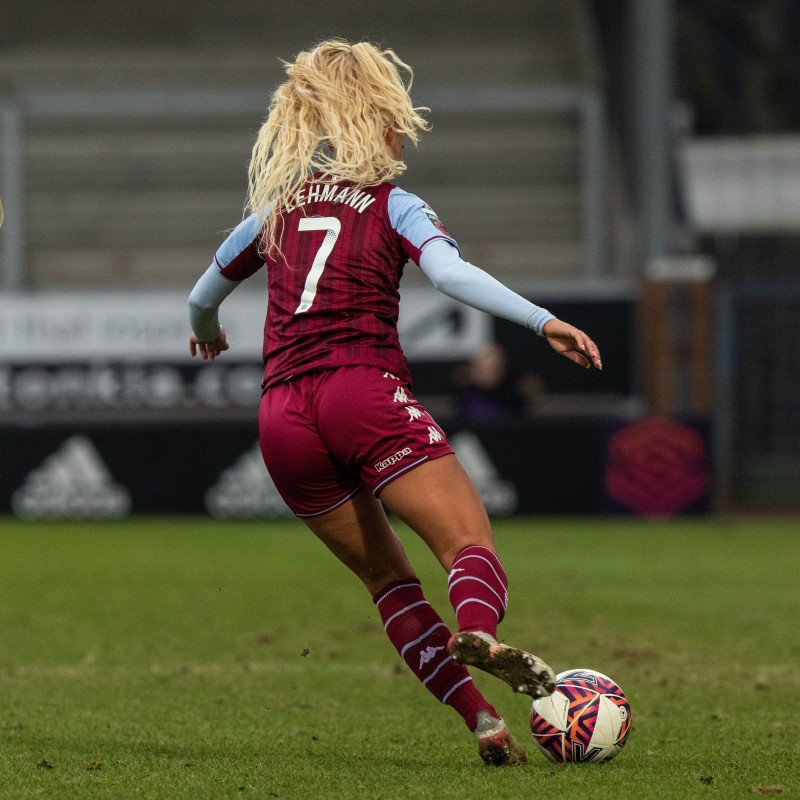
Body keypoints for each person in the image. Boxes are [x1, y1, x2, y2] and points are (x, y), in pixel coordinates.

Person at [188, 39, 602, 766]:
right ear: (383, 116)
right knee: (467, 546)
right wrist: (543, 321)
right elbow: (449, 275)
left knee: (386, 582)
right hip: (362, 391)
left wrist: (209, 334)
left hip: (282, 417)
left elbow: (200, 296)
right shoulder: (393, 202)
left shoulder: (276, 208)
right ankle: (477, 630)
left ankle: (481, 720)